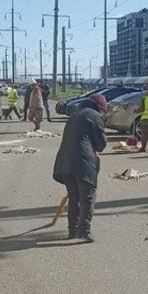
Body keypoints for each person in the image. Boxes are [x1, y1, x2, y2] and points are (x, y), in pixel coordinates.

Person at [52, 93, 108, 243]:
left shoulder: (75, 115)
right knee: (88, 197)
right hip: (83, 163)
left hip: (65, 162)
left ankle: (73, 230)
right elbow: (101, 145)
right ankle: (84, 230)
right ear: (100, 107)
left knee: (74, 197)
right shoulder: (95, 116)